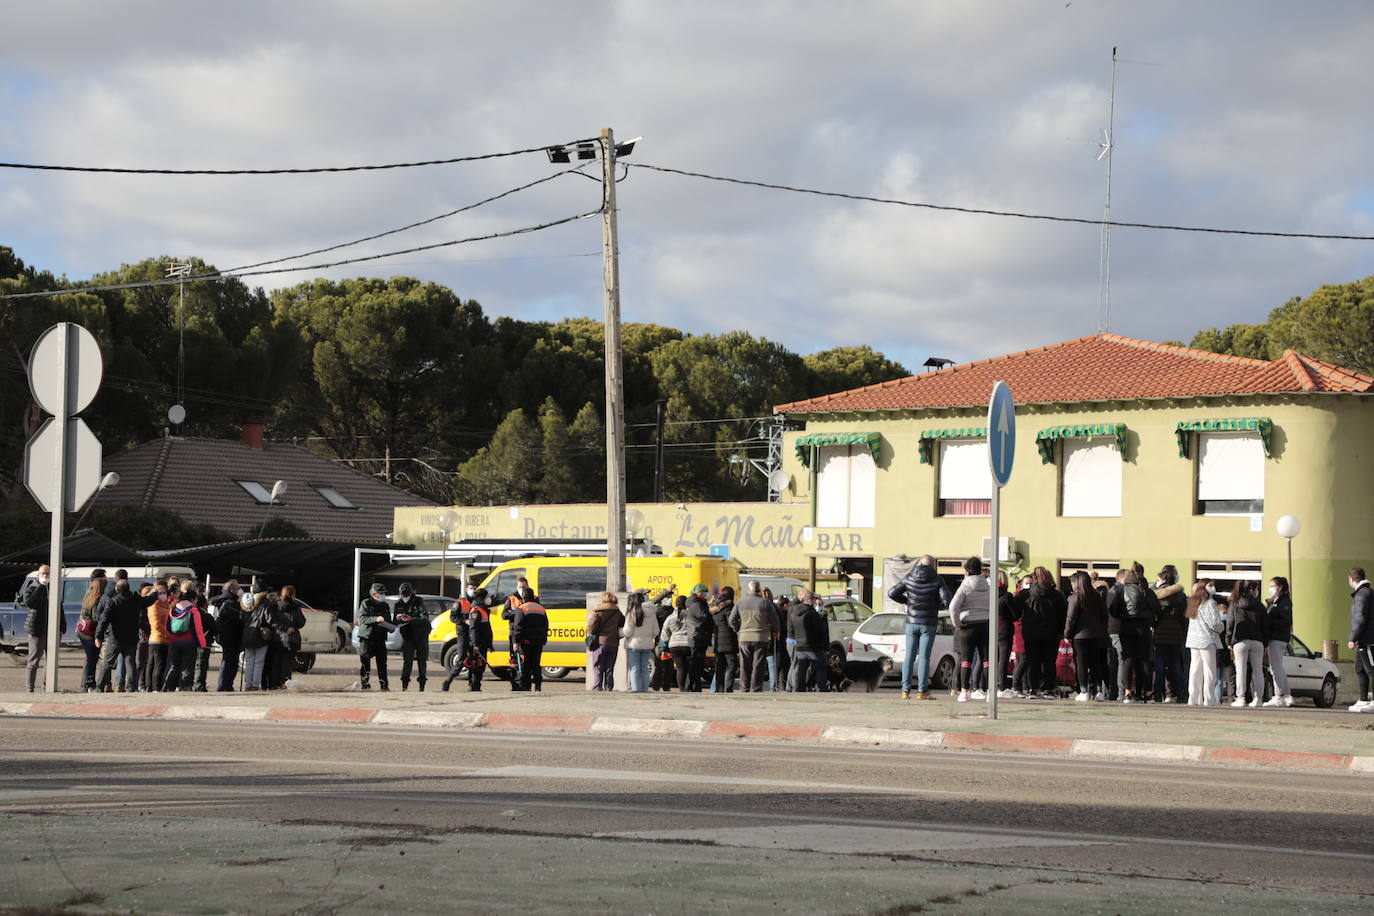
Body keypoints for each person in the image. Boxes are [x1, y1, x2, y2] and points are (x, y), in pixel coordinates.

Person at [888, 555, 952, 700]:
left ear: (919, 563)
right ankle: (922, 691)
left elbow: (892, 593)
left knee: (909, 657)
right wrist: (936, 606)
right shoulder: (937, 579)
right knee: (924, 658)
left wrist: (907, 601)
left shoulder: (909, 577)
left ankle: (905, 691)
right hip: (928, 623)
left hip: (911, 622)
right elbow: (947, 600)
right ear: (933, 565)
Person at [94, 577, 154, 693]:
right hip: (131, 638)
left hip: (115, 639)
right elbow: (149, 600)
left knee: (107, 663)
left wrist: (98, 636)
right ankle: (131, 687)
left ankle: (100, 686)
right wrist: (155, 592)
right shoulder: (136, 600)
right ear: (129, 588)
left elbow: (103, 620)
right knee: (130, 663)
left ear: (117, 589)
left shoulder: (113, 602)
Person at [949, 557, 991, 702]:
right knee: (987, 660)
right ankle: (989, 692)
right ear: (980, 570)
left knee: (966, 660)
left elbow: (953, 607)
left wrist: (957, 623)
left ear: (967, 571)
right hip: (985, 624)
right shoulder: (988, 585)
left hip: (968, 625)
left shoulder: (965, 585)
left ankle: (964, 692)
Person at [1020, 567, 1065, 699]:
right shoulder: (1058, 595)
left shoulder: (1026, 594)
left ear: (1034, 578)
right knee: (1049, 662)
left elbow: (1016, 611)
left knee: (1032, 662)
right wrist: (1061, 632)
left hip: (1031, 633)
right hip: (1051, 633)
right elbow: (1062, 615)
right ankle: (1048, 689)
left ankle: (1033, 689)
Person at [1110, 568, 1154, 703]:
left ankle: (1128, 692)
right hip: (1144, 629)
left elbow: (1113, 610)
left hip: (1127, 628)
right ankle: (1148, 692)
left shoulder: (1121, 590)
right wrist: (1150, 622)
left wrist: (1124, 617)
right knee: (1144, 660)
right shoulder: (1147, 591)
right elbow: (1156, 608)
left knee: (1127, 659)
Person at [1065, 570, 1108, 702]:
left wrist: (1067, 634)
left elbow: (1071, 618)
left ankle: (1083, 691)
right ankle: (1098, 691)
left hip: (1079, 636)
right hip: (1096, 635)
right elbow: (1104, 615)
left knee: (1081, 663)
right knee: (1096, 663)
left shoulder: (1076, 597)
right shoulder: (1097, 596)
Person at [730, 581, 779, 693]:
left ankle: (744, 688)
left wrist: (738, 629)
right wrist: (775, 631)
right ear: (759, 590)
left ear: (749, 590)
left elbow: (732, 619)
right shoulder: (766, 603)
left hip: (744, 637)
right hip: (760, 638)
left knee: (744, 665)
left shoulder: (740, 602)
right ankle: (755, 689)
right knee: (758, 665)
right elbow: (774, 620)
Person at [24, 565, 63, 693]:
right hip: (36, 630)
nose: (45, 576)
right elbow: (30, 603)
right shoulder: (31, 588)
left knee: (50, 661)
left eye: (47, 573)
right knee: (34, 660)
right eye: (43, 573)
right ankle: (30, 689)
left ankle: (47, 687)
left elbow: (59, 608)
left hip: (51, 630)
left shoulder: (53, 589)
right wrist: (41, 587)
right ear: (38, 575)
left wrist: (62, 626)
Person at [1184, 580, 1224, 707]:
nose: (1213, 588)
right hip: (1207, 640)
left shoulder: (1193, 602)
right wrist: (1221, 627)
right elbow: (1214, 623)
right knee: (1209, 670)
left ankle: (1193, 698)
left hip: (1194, 640)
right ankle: (1209, 698)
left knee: (1195, 670)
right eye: (1210, 585)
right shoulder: (1210, 603)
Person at [1152, 566, 1188, 703]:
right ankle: (1180, 694)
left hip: (1160, 632)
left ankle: (1158, 694)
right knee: (1176, 665)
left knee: (1159, 666)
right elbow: (1184, 616)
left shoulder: (1157, 595)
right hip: (1176, 633)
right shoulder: (1180, 595)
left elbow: (1154, 613)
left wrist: (1155, 625)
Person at [1228, 580, 1267, 708]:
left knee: (1240, 671)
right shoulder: (1260, 606)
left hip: (1240, 641)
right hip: (1257, 641)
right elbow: (1265, 626)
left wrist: (1229, 641)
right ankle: (1258, 699)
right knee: (1258, 671)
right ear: (1252, 590)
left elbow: (1230, 623)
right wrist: (1265, 642)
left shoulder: (1235, 603)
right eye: (1256, 589)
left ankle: (1241, 698)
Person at [162, 587, 208, 691]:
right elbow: (198, 629)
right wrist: (202, 644)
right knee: (187, 667)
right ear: (192, 599)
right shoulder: (193, 611)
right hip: (189, 643)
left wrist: (171, 638)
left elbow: (167, 627)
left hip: (174, 642)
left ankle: (168, 687)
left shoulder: (172, 610)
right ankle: (184, 687)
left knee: (174, 666)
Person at [785, 588, 829, 691]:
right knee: (821, 666)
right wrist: (824, 645)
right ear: (810, 600)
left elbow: (791, 629)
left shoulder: (794, 612)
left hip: (799, 645)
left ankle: (800, 688)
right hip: (812, 646)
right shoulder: (812, 614)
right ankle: (821, 688)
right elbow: (819, 631)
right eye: (813, 600)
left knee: (801, 668)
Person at [508, 587, 549, 692]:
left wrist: (516, 642)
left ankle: (526, 686)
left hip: (525, 642)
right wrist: (543, 639)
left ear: (523, 597)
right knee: (536, 664)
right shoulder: (541, 609)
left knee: (526, 665)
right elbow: (546, 626)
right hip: (538, 642)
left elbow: (517, 627)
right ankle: (538, 685)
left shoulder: (522, 608)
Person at [394, 583, 432, 691]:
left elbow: (424, 618)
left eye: (406, 595)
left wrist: (412, 619)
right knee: (407, 661)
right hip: (408, 635)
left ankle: (422, 686)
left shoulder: (418, 602)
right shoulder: (398, 604)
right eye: (402, 595)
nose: (404, 597)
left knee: (422, 661)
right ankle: (404, 685)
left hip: (421, 634)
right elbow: (395, 622)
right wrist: (398, 618)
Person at [355, 583, 393, 691]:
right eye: (380, 593)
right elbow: (362, 619)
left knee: (382, 663)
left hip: (380, 637)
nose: (382, 595)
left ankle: (384, 686)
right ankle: (365, 685)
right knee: (365, 662)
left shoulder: (385, 605)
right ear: (374, 594)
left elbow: (388, 621)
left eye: (383, 593)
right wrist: (375, 619)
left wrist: (390, 627)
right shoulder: (366, 603)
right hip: (367, 637)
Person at [1263, 577, 1294, 707]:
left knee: (1275, 668)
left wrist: (1269, 623)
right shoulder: (1274, 601)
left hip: (1277, 637)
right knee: (1278, 667)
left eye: (1272, 586)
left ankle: (1278, 696)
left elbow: (1286, 620)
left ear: (1280, 587)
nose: (1270, 588)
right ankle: (1287, 694)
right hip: (1275, 637)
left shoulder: (1284, 601)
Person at [619, 591, 658, 693]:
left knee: (634, 668)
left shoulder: (631, 612)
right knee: (644, 668)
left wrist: (619, 632)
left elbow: (627, 631)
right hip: (647, 644)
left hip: (633, 644)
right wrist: (648, 636)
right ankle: (645, 689)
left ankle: (635, 689)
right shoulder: (652, 613)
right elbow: (656, 631)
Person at [1346, 568, 1373, 713]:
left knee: (1371, 670)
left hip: (1367, 639)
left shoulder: (1362, 594)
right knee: (1360, 669)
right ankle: (1363, 700)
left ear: (1352, 579)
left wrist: (1353, 638)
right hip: (1363, 639)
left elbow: (1360, 618)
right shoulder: (1366, 592)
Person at [269, 587, 306, 690]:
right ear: (293, 594)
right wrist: (290, 627)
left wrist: (282, 628)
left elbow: (272, 621)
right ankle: (283, 684)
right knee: (287, 665)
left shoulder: (275, 606)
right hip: (291, 640)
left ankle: (273, 685)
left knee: (275, 664)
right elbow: (301, 622)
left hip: (277, 638)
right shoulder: (295, 607)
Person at [587, 592, 624, 692]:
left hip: (600, 643)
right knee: (609, 667)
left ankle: (597, 687)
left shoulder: (598, 611)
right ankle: (609, 687)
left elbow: (591, 627)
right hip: (614, 643)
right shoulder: (618, 612)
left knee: (598, 666)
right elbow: (622, 625)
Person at [659, 595, 697, 692]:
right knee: (689, 668)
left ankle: (682, 690)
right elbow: (695, 629)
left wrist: (665, 644)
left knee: (680, 668)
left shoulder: (670, 617)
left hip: (674, 645)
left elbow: (664, 633)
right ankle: (688, 688)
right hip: (688, 644)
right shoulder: (690, 616)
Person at [213, 581, 245, 691]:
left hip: (229, 636)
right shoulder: (229, 603)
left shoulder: (227, 602)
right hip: (230, 637)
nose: (240, 591)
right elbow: (239, 619)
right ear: (232, 590)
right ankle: (223, 685)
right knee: (229, 662)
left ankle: (227, 684)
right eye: (238, 589)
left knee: (231, 662)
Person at [682, 584, 714, 691]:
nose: (707, 595)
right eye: (705, 593)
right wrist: (713, 611)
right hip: (698, 637)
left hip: (697, 636)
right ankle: (688, 687)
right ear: (699, 594)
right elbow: (705, 618)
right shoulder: (697, 604)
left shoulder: (697, 603)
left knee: (698, 664)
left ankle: (696, 687)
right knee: (696, 664)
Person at [77, 575, 106, 691]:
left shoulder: (88, 597)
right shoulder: (97, 600)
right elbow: (96, 618)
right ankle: (89, 683)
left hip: (83, 632)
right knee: (92, 660)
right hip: (91, 634)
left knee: (90, 659)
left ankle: (87, 683)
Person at [709, 586, 739, 693]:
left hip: (718, 641)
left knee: (719, 667)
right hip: (729, 641)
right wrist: (738, 627)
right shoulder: (729, 608)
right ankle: (728, 689)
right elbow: (731, 623)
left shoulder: (715, 609)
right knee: (732, 666)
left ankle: (719, 689)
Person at [145, 581, 173, 692]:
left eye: (164, 592)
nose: (163, 595)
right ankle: (154, 686)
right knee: (158, 664)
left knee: (156, 663)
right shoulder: (154, 606)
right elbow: (156, 625)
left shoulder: (165, 605)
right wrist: (167, 634)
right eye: (160, 593)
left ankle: (152, 686)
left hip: (161, 638)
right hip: (158, 638)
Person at [650, 592, 678, 692]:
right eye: (667, 598)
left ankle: (667, 686)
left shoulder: (673, 611)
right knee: (659, 665)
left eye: (670, 597)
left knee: (669, 666)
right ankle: (656, 686)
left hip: (671, 641)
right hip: (659, 642)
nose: (670, 599)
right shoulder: (657, 611)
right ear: (661, 600)